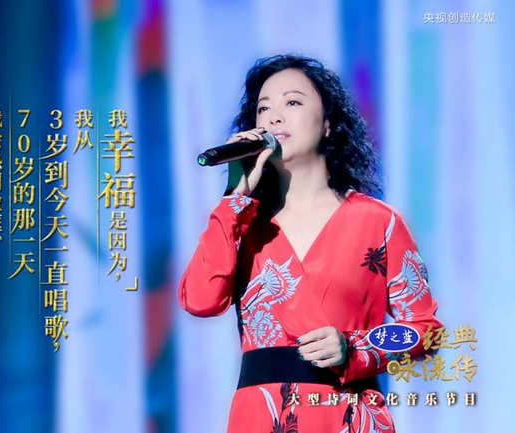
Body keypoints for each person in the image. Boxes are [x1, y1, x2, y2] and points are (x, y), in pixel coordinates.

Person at [179, 54, 442, 432]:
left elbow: (425, 330)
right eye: (263, 108)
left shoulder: (378, 222)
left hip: (346, 412)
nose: (274, 117)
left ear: (328, 124)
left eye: (292, 102)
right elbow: (200, 300)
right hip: (261, 416)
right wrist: (234, 199)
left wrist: (355, 349)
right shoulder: (242, 224)